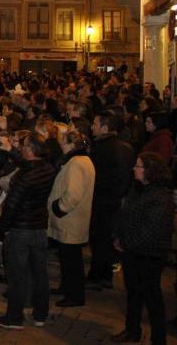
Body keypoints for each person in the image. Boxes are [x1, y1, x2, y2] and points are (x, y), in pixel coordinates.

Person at [0, 133, 56, 330]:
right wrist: (10, 150)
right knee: (40, 274)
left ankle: (14, 318)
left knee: (17, 276)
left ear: (31, 150)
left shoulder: (24, 177)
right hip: (39, 229)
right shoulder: (47, 169)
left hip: (20, 230)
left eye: (25, 147)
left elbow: (12, 205)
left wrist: (2, 229)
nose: (22, 149)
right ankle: (40, 314)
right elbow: (27, 162)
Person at [111, 152, 174, 345]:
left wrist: (126, 243)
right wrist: (118, 237)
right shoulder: (138, 188)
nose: (134, 169)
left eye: (138, 166)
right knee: (133, 293)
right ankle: (132, 330)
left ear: (149, 171)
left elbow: (150, 229)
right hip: (132, 252)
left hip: (149, 255)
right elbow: (125, 213)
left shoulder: (160, 196)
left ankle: (158, 338)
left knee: (152, 298)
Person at [88, 111, 135, 290]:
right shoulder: (125, 147)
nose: (92, 127)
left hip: (102, 200)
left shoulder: (102, 148)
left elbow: (98, 176)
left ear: (105, 128)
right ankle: (104, 274)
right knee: (106, 238)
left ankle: (98, 275)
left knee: (99, 238)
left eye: (95, 124)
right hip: (116, 200)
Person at [48, 131, 95, 308]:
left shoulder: (76, 163)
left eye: (63, 142)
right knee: (67, 259)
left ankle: (74, 295)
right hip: (72, 220)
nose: (61, 145)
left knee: (71, 261)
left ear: (70, 145)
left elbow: (73, 194)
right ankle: (66, 288)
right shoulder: (80, 161)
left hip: (70, 220)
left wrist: (58, 207)